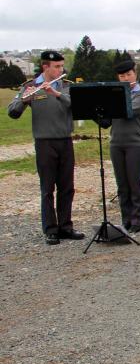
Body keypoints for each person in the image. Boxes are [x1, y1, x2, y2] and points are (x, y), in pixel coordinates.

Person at [7, 50, 83, 245]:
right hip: (44, 142)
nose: (60, 70)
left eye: (61, 66)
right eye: (56, 67)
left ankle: (66, 226)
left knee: (67, 187)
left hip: (65, 140)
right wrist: (24, 100)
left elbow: (78, 106)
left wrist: (56, 94)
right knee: (47, 187)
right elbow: (12, 112)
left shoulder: (66, 86)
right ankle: (51, 229)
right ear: (45, 67)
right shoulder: (31, 86)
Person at [110, 61, 140, 233]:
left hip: (135, 144)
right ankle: (126, 219)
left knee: (135, 183)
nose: (126, 78)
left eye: (128, 75)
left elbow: (127, 111)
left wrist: (110, 104)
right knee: (122, 185)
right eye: (122, 76)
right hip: (116, 143)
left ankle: (138, 220)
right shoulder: (115, 95)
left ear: (135, 74)